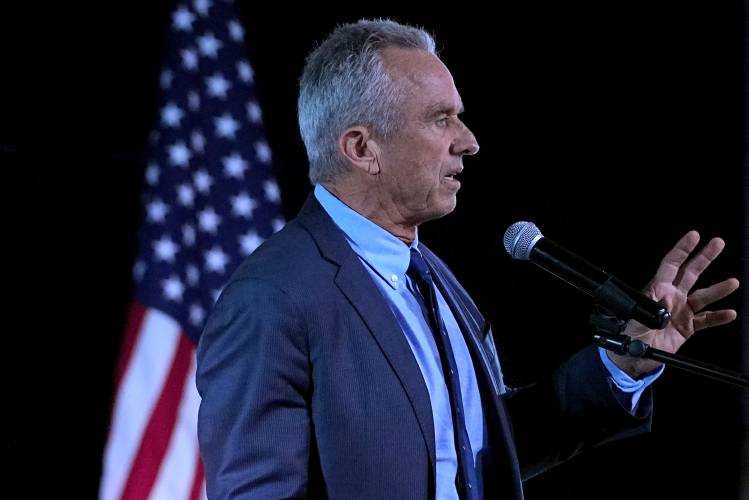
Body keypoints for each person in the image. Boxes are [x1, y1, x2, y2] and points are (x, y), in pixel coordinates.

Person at [196, 19, 739, 499]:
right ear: (362, 148)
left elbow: (484, 453)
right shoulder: (273, 296)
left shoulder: (432, 276)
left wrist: (625, 364)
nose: (470, 141)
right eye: (440, 119)